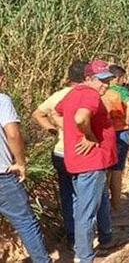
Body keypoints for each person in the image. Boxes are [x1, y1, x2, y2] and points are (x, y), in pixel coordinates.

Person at [55, 60, 118, 263]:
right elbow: (81, 118)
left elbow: (56, 112)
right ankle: (85, 256)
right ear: (89, 78)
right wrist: (89, 136)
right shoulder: (90, 94)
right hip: (91, 163)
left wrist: (69, 132)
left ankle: (106, 238)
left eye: (108, 80)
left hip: (80, 161)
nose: (106, 85)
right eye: (102, 81)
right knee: (86, 212)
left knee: (94, 203)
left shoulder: (72, 93)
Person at [32, 60, 88, 247]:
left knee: (68, 195)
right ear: (86, 77)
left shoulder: (58, 96)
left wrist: (53, 130)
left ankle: (73, 236)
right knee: (86, 195)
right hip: (83, 151)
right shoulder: (90, 94)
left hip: (61, 152)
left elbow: (37, 114)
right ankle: (86, 236)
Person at [0, 68, 51, 263]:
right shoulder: (2, 100)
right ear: (2, 78)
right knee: (25, 222)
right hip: (2, 175)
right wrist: (20, 162)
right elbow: (13, 133)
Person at [102, 64, 129, 210]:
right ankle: (116, 204)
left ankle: (103, 204)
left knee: (106, 168)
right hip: (120, 131)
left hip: (104, 133)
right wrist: (128, 122)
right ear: (118, 78)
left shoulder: (102, 91)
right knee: (117, 169)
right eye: (122, 77)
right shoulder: (121, 91)